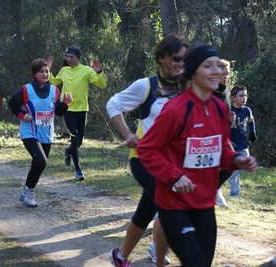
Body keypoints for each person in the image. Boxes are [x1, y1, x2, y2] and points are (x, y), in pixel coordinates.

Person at [137, 43, 257, 267]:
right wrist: (174, 175)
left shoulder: (220, 109)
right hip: (174, 205)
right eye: (208, 65)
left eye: (218, 66)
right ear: (193, 72)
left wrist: (236, 160)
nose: (217, 71)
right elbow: (146, 149)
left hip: (204, 203)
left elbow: (221, 149)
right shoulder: (175, 109)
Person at [106, 33, 189, 267]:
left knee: (146, 211)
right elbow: (113, 104)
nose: (180, 64)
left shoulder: (188, 88)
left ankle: (120, 256)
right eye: (176, 59)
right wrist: (127, 133)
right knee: (168, 205)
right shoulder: (147, 86)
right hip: (144, 159)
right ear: (162, 58)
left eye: (184, 59)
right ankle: (158, 254)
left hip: (172, 163)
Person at [7, 58, 72, 207]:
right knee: (41, 161)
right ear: (35, 74)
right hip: (29, 132)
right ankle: (29, 191)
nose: (44, 74)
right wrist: (23, 115)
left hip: (47, 134)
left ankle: (26, 190)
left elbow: (58, 112)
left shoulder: (54, 90)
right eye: (41, 71)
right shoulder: (25, 90)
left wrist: (66, 103)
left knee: (38, 163)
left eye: (47, 71)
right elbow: (12, 103)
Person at [48, 46, 106, 180]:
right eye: (67, 57)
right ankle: (78, 171)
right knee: (74, 138)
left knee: (79, 141)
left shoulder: (86, 70)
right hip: (68, 109)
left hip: (82, 109)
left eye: (71, 57)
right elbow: (54, 81)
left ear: (77, 58)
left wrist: (99, 72)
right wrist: (49, 69)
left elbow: (102, 85)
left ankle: (68, 151)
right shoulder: (64, 70)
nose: (68, 59)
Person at [228, 85, 257, 197]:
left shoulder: (247, 110)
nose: (244, 98)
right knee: (234, 169)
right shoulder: (229, 110)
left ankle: (226, 173)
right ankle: (234, 193)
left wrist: (252, 133)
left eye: (245, 95)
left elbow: (250, 121)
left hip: (242, 144)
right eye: (241, 96)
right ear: (233, 98)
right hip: (231, 144)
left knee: (246, 164)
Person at [213, 59, 234, 206]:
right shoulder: (208, 90)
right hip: (206, 135)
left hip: (222, 135)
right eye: (223, 73)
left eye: (227, 74)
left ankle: (214, 190)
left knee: (231, 163)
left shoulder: (224, 89)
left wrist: (229, 118)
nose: (225, 76)